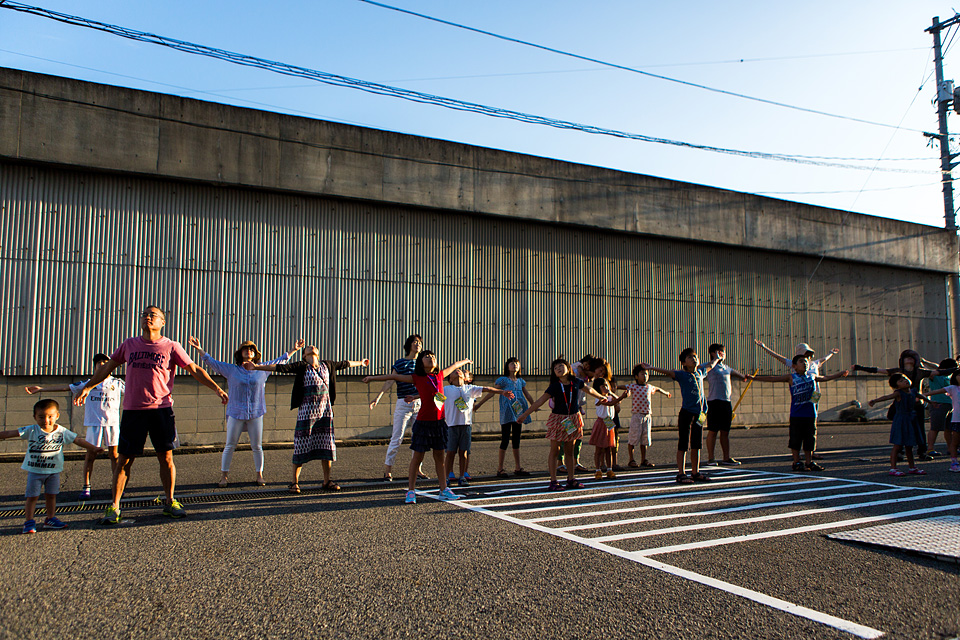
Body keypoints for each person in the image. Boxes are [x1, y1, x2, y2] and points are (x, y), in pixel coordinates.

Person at [74, 305, 229, 525]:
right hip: (133, 411)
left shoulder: (171, 346)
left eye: (153, 315)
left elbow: (194, 369)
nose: (148, 317)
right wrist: (88, 386)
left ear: (162, 322)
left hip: (161, 410)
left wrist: (217, 388)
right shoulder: (129, 344)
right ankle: (114, 506)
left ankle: (170, 501)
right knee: (124, 460)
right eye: (145, 315)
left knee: (166, 457)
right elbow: (107, 368)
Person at [244, 346, 368, 494]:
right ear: (304, 355)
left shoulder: (327, 365)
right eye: (309, 348)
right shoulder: (302, 366)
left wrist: (361, 363)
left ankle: (327, 481)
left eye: (314, 347)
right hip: (306, 413)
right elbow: (279, 368)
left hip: (325, 413)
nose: (312, 347)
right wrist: (257, 367)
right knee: (301, 445)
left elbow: (345, 363)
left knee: (327, 446)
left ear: (318, 353)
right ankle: (294, 482)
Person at [187, 336, 305, 488]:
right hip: (236, 412)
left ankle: (259, 474)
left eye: (251, 349)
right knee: (230, 445)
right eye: (245, 349)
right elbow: (213, 363)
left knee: (257, 446)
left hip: (256, 412)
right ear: (240, 353)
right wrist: (199, 350)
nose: (248, 351)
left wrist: (294, 350)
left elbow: (280, 361)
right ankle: (224, 476)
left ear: (255, 354)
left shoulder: (262, 369)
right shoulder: (231, 370)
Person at [363, 351, 473, 503]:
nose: (431, 358)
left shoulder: (440, 375)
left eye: (433, 356)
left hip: (439, 423)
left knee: (440, 458)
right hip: (423, 423)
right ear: (421, 363)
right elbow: (394, 377)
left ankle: (443, 489)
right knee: (417, 458)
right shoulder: (417, 377)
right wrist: (372, 378)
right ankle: (411, 491)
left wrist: (465, 361)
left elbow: (454, 365)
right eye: (427, 357)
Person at [25, 353, 124, 499]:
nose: (102, 365)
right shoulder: (88, 383)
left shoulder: (117, 383)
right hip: (94, 424)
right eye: (99, 363)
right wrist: (41, 389)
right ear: (94, 366)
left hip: (112, 424)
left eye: (105, 362)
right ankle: (86, 486)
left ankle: (116, 485)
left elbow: (136, 391)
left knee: (114, 455)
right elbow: (66, 387)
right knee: (90, 455)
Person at [0, 399, 103, 534]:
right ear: (35, 417)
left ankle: (50, 519)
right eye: (41, 417)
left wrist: (93, 448)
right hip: (35, 471)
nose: (46, 420)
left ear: (57, 416)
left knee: (51, 496)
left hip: (53, 472)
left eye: (50, 416)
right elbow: (10, 433)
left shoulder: (61, 431)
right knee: (32, 497)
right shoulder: (32, 430)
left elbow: (77, 440)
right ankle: (29, 522)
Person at [515, 357, 614, 491]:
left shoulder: (576, 382)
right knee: (555, 450)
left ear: (568, 368)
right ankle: (553, 481)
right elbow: (540, 401)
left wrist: (601, 397)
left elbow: (589, 390)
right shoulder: (555, 386)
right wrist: (525, 414)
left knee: (569, 450)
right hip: (558, 419)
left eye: (561, 366)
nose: (558, 369)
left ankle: (571, 479)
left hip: (572, 418)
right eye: (555, 368)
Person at [747, 355, 849, 471]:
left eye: (806, 362)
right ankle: (796, 462)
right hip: (797, 414)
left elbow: (826, 378)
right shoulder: (791, 377)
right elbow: (773, 378)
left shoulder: (812, 376)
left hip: (810, 414)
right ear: (794, 366)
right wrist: (754, 378)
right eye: (801, 362)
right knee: (796, 439)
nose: (805, 363)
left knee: (810, 439)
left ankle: (809, 462)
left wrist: (839, 374)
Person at [642, 348, 720, 484]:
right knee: (683, 443)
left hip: (700, 414)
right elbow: (668, 372)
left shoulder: (700, 373)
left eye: (695, 357)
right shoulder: (682, 375)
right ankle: (681, 473)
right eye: (690, 357)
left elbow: (710, 366)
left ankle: (695, 472)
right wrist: (652, 367)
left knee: (697, 443)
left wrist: (717, 359)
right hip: (687, 413)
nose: (694, 359)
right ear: (684, 363)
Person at [755, 340, 839, 460]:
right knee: (801, 424)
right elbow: (778, 357)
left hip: (815, 394)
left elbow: (824, 360)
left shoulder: (814, 363)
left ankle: (811, 451)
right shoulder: (795, 363)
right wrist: (764, 347)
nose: (807, 357)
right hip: (801, 392)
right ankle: (799, 454)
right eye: (805, 353)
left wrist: (831, 353)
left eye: (809, 354)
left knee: (812, 421)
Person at [854, 349, 934, 460]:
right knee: (902, 429)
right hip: (902, 405)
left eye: (912, 357)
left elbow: (940, 371)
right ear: (902, 360)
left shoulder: (921, 371)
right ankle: (900, 452)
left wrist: (954, 369)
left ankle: (922, 452)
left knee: (919, 429)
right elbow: (878, 370)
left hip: (916, 404)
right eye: (907, 357)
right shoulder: (898, 371)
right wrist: (860, 368)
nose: (909, 359)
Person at [369, 334, 427, 482]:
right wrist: (378, 397)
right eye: (415, 342)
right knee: (397, 437)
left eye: (420, 343)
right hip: (403, 403)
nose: (418, 344)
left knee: (418, 438)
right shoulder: (400, 363)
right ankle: (388, 470)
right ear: (409, 345)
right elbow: (390, 380)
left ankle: (418, 469)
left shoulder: (422, 363)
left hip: (419, 403)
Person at [442, 369, 514, 486]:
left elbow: (487, 389)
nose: (458, 371)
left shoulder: (470, 388)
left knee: (463, 452)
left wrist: (502, 392)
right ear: (450, 379)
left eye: (459, 371)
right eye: (454, 371)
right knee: (450, 453)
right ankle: (445, 477)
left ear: (464, 377)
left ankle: (462, 476)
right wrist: (415, 397)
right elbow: (433, 396)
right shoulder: (446, 389)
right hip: (451, 425)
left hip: (466, 425)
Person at [474, 357, 535, 478]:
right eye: (512, 363)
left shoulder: (521, 381)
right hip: (507, 412)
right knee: (505, 439)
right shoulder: (503, 380)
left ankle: (518, 467)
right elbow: (492, 392)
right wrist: (479, 404)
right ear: (507, 366)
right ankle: (500, 468)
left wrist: (533, 405)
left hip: (518, 412)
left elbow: (527, 394)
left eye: (516, 363)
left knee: (516, 439)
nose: (515, 365)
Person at [868, 374, 928, 476]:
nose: (905, 381)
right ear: (896, 386)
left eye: (905, 378)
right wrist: (875, 401)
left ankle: (912, 467)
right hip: (901, 420)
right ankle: (893, 468)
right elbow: (887, 397)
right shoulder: (898, 393)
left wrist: (930, 402)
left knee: (909, 445)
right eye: (901, 380)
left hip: (911, 420)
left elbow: (921, 396)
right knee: (898, 445)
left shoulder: (913, 391)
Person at [701, 344, 747, 467]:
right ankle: (711, 458)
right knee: (713, 431)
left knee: (725, 432)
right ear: (712, 353)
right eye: (719, 351)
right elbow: (698, 369)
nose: (722, 353)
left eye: (723, 352)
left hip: (726, 402)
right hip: (714, 402)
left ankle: (726, 457)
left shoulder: (727, 368)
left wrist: (745, 377)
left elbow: (741, 376)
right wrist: (715, 360)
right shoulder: (709, 366)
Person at [618, 364, 671, 468]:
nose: (645, 376)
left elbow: (657, 389)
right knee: (633, 438)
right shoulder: (633, 386)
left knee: (645, 439)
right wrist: (613, 387)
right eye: (642, 374)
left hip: (647, 415)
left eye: (646, 374)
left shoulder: (649, 387)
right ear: (636, 376)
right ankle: (631, 459)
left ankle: (644, 459)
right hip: (637, 416)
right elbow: (623, 386)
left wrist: (666, 393)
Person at [917, 371, 960, 473]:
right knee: (955, 442)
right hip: (957, 419)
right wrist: (923, 395)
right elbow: (937, 391)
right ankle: (954, 463)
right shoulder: (953, 388)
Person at [588, 377, 620, 479]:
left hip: (609, 421)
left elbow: (616, 400)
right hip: (601, 422)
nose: (605, 388)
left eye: (606, 385)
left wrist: (611, 393)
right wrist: (622, 397)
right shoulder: (599, 398)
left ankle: (609, 469)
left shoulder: (609, 396)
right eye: (603, 386)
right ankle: (598, 470)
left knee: (608, 448)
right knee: (599, 448)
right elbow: (610, 403)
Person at [923, 358, 956, 457]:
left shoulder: (948, 377)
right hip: (938, 403)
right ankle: (930, 448)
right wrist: (925, 362)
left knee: (948, 428)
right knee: (935, 427)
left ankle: (951, 448)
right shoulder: (935, 376)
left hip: (950, 404)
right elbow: (935, 368)